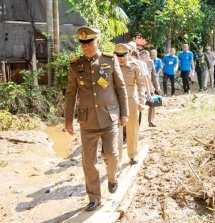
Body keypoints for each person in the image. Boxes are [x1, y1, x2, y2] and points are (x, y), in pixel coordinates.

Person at [64, 26, 129, 211]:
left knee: (111, 154)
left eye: (89, 43)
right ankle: (94, 197)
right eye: (83, 44)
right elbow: (71, 94)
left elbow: (121, 88)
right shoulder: (75, 65)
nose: (86, 47)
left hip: (109, 117)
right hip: (87, 121)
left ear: (97, 41)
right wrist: (68, 120)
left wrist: (125, 113)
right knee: (88, 162)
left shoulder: (110, 60)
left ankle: (112, 177)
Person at [115, 43, 146, 165]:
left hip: (131, 101)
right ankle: (116, 160)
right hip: (116, 103)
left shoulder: (135, 66)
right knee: (117, 132)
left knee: (132, 129)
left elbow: (140, 84)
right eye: (118, 55)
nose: (121, 58)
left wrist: (142, 101)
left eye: (123, 55)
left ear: (129, 54)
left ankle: (132, 155)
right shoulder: (112, 67)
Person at [140, 50, 161, 127]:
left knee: (153, 102)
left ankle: (151, 121)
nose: (147, 60)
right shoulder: (138, 63)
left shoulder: (151, 62)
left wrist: (157, 86)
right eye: (145, 58)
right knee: (140, 105)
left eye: (148, 58)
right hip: (140, 87)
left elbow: (154, 75)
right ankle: (138, 122)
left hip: (149, 86)